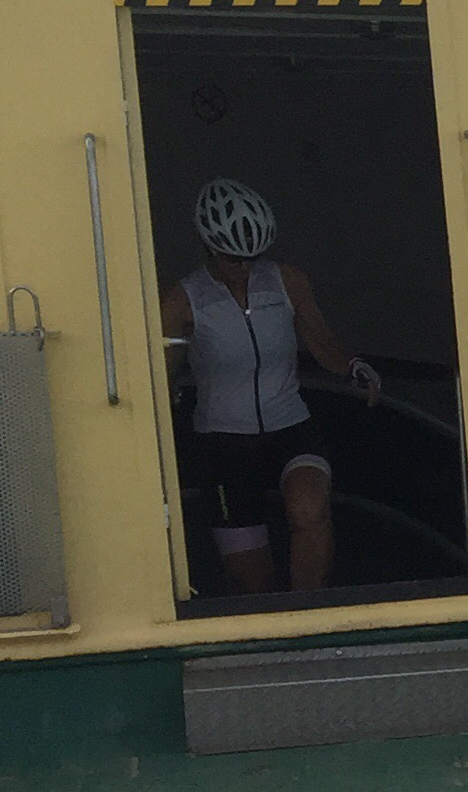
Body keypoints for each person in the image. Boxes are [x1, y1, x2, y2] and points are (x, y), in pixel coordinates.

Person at [161, 176, 379, 593]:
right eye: (234, 259)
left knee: (309, 510)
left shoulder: (286, 280)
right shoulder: (182, 299)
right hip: (222, 441)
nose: (245, 268)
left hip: (289, 425)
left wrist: (354, 367)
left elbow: (321, 341)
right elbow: (163, 371)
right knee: (253, 583)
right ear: (210, 249)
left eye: (254, 258)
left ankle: (310, 614)